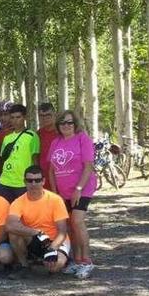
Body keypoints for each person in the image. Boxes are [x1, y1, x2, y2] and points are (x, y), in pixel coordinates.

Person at [47, 111, 97, 279]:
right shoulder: (56, 142)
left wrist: (79, 188)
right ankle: (76, 260)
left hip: (82, 188)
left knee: (77, 221)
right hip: (63, 191)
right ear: (58, 126)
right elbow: (51, 170)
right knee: (69, 226)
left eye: (69, 122)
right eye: (62, 123)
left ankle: (86, 261)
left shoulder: (83, 139)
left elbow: (88, 166)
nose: (66, 126)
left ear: (75, 124)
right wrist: (55, 194)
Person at [6, 166, 70, 279]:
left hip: (56, 240)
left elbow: (62, 232)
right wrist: (36, 232)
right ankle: (24, 266)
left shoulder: (55, 200)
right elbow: (10, 225)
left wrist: (52, 249)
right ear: (24, 182)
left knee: (55, 266)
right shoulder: (18, 202)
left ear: (43, 181)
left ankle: (58, 258)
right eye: (30, 180)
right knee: (13, 233)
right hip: (35, 238)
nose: (34, 183)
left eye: (37, 180)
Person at [0, 103, 39, 202]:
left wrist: (34, 182)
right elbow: (3, 160)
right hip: (4, 182)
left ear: (24, 117)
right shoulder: (7, 138)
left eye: (18, 117)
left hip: (22, 183)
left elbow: (35, 160)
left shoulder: (32, 136)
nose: (15, 120)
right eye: (12, 117)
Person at [36, 102, 58, 183]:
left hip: (60, 177)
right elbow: (36, 157)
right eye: (41, 116)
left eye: (48, 115)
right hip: (43, 178)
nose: (44, 118)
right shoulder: (37, 134)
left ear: (54, 114)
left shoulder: (62, 133)